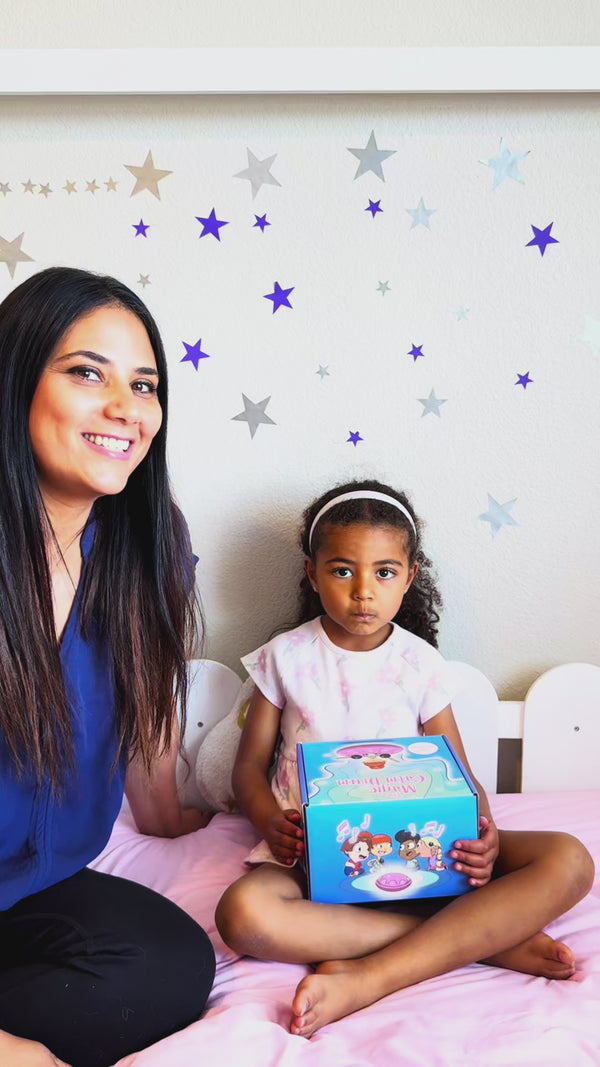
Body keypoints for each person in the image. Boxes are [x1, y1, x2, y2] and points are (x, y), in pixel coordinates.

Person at [215, 479, 595, 1038]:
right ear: (312, 573)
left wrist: (484, 835)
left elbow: (460, 775)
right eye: (342, 571)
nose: (363, 592)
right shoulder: (286, 657)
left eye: (384, 572)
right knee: (242, 915)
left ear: (410, 575)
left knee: (571, 859)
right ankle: (481, 943)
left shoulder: (420, 664)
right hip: (310, 860)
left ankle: (371, 976)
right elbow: (248, 768)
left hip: (422, 852)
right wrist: (270, 821)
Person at [0, 267, 216, 1067]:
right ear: (15, 380)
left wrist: (166, 816)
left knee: (170, 966)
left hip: (29, 884)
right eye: (88, 373)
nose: (127, 408)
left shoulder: (149, 544)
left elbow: (144, 699)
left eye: (144, 384)